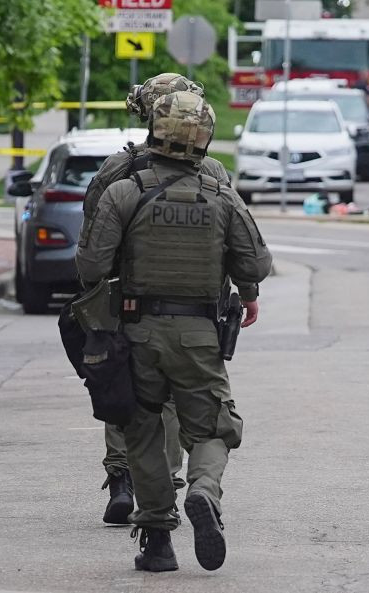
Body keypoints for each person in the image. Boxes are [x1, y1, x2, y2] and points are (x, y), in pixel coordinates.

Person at [76, 91, 271, 572]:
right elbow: (257, 264)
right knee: (214, 428)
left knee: (141, 431)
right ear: (205, 138)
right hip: (201, 333)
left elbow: (90, 267)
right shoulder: (220, 192)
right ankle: (203, 492)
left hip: (137, 332)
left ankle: (157, 541)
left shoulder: (125, 190)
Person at [79, 73, 234, 526]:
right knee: (187, 404)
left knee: (121, 392)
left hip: (124, 304)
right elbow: (238, 242)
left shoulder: (116, 170)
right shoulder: (213, 173)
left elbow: (91, 242)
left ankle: (126, 480)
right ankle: (171, 482)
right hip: (197, 311)